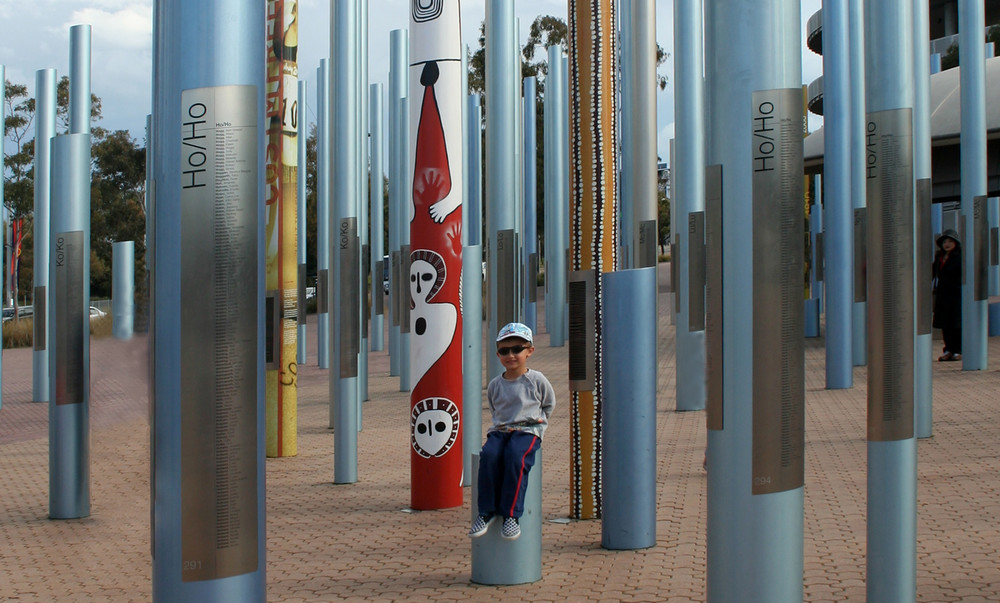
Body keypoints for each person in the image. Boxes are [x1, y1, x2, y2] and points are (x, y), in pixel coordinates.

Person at [469, 322, 555, 541]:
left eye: (517, 349)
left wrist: (539, 423)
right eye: (504, 351)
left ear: (529, 351)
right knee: (489, 456)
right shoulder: (496, 384)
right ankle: (486, 512)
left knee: (516, 458)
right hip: (501, 429)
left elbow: (548, 403)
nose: (511, 355)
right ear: (498, 354)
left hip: (528, 430)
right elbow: (495, 406)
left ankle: (511, 515)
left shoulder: (536, 380)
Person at [933, 229, 962, 362]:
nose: (947, 244)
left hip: (956, 294)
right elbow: (932, 272)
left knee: (956, 323)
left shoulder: (959, 257)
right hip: (942, 295)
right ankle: (948, 349)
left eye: (950, 241)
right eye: (945, 241)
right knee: (945, 324)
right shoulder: (939, 258)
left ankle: (958, 350)